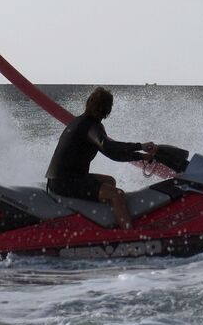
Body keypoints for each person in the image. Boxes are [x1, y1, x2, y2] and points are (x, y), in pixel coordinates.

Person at [45, 87, 158, 230]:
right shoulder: (91, 126)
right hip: (65, 182)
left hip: (61, 179)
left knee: (109, 181)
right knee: (117, 195)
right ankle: (129, 234)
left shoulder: (80, 122)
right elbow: (110, 148)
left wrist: (140, 156)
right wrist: (140, 146)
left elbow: (113, 153)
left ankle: (106, 223)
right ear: (107, 110)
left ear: (89, 103)